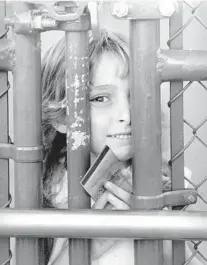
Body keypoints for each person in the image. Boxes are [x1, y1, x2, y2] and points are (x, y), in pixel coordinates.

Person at [42, 29, 194, 265]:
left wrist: (156, 226)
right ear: (62, 118)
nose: (127, 114)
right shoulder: (55, 188)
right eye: (101, 98)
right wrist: (105, 233)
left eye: (136, 95)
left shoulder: (168, 181)